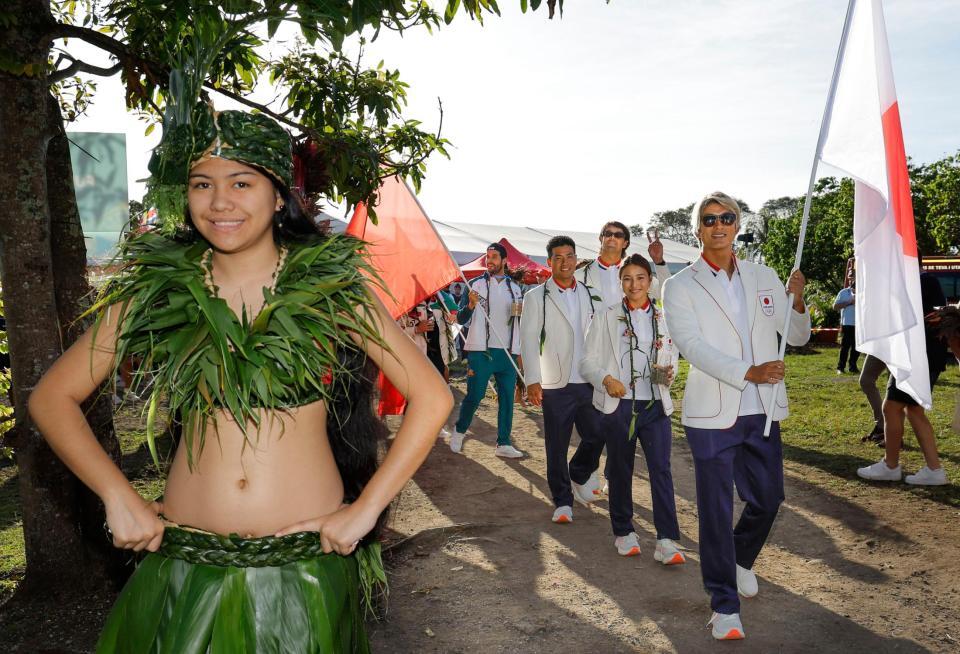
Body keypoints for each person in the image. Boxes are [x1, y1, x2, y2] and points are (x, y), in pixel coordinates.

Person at [27, 102, 452, 653]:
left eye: (241, 181)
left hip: (302, 571)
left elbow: (431, 396)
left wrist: (365, 511)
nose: (220, 201)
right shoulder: (152, 293)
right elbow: (53, 397)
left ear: (279, 195)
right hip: (184, 569)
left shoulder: (335, 291)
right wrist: (117, 495)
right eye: (201, 183)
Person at [662, 191, 809, 641]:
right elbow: (692, 346)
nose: (719, 225)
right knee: (715, 510)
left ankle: (741, 557)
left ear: (738, 224)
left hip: (762, 411)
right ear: (698, 229)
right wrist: (748, 371)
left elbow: (798, 337)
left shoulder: (765, 276)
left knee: (769, 500)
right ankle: (724, 605)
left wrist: (798, 300)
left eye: (727, 217)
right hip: (712, 417)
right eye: (709, 220)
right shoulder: (680, 285)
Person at [580, 254, 684, 563]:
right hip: (620, 406)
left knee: (661, 470)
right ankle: (624, 531)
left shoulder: (666, 319)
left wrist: (668, 375)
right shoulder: (606, 316)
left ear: (650, 281)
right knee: (621, 470)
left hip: (654, 405)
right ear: (620, 282)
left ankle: (667, 540)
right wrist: (606, 379)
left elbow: (672, 361)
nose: (634, 284)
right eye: (627, 278)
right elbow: (587, 362)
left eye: (640, 278)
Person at [519, 236, 605, 524]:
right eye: (558, 257)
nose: (565, 262)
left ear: (576, 259)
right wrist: (532, 379)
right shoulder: (536, 297)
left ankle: (578, 473)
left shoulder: (592, 294)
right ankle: (563, 501)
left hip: (589, 379)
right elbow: (528, 340)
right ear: (549, 262)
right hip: (555, 381)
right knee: (556, 444)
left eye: (570, 256)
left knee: (598, 434)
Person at [856, 259, 950, 486]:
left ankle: (891, 465)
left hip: (918, 356)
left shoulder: (920, 282)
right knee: (913, 410)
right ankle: (933, 469)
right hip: (923, 355)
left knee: (892, 407)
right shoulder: (926, 281)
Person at [450, 242, 525, 458]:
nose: (489, 260)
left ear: (504, 261)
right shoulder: (473, 285)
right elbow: (462, 319)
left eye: (494, 257)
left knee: (507, 399)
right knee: (475, 395)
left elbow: (519, 320)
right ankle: (460, 431)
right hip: (480, 350)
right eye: (487, 256)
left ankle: (503, 443)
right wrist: (471, 305)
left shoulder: (516, 288)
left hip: (507, 351)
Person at [575, 220, 672, 309]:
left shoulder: (638, 272)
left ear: (625, 243)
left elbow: (666, 293)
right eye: (608, 234)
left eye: (618, 235)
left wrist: (659, 261)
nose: (612, 237)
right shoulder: (578, 276)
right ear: (601, 238)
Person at [833, 261, 860, 374]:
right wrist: (850, 302)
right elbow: (835, 306)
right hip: (847, 323)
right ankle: (840, 367)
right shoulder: (843, 292)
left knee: (856, 347)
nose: (851, 280)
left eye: (853, 276)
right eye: (850, 277)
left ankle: (853, 366)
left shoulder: (864, 292)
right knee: (845, 347)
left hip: (859, 324)